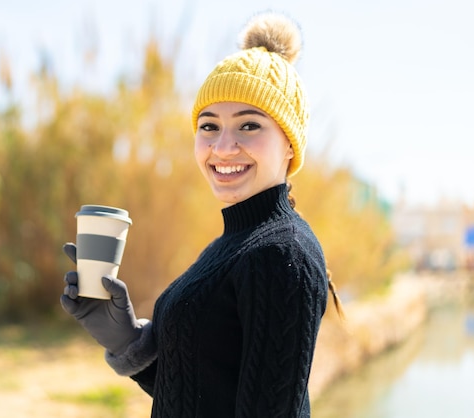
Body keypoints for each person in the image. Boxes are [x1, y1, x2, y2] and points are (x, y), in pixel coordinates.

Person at [61, 11, 343, 418]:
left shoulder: (282, 254)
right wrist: (127, 341)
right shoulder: (232, 246)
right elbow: (203, 392)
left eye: (249, 126)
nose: (223, 147)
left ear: (289, 145)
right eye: (209, 127)